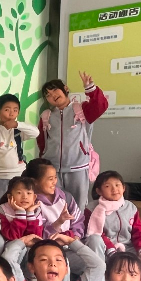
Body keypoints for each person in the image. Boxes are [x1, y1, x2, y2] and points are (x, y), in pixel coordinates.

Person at [37, 72, 108, 210]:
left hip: (78, 167)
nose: (53, 95)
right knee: (54, 206)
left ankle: (77, 226)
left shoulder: (81, 110)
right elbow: (42, 142)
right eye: (48, 95)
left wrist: (90, 88)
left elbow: (101, 105)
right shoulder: (46, 116)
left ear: (65, 89)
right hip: (52, 170)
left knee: (78, 207)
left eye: (55, 90)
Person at [85, 170, 141, 267]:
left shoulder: (130, 207)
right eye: (107, 186)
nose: (114, 189)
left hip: (127, 249)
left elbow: (139, 231)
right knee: (94, 238)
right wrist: (112, 251)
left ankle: (135, 271)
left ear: (123, 188)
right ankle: (104, 271)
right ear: (99, 191)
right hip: (104, 252)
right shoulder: (91, 209)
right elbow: (97, 234)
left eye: (117, 185)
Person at [25, 158, 85, 276]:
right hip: (51, 252)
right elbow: (39, 235)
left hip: (72, 244)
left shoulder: (66, 197)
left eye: (55, 178)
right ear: (34, 182)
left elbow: (78, 221)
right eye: (50, 179)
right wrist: (58, 223)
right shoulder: (33, 205)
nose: (54, 182)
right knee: (86, 264)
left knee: (95, 252)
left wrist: (76, 237)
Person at [0, 94, 39, 199]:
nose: (11, 113)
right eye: (7, 110)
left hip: (18, 175)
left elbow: (36, 133)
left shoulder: (18, 131)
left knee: (18, 203)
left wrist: (17, 124)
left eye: (15, 110)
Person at [0, 176, 44, 242]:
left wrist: (30, 214)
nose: (25, 197)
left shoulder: (36, 211)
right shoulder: (2, 211)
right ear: (10, 197)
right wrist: (20, 213)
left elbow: (36, 239)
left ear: (34, 197)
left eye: (29, 193)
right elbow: (13, 238)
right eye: (19, 193)